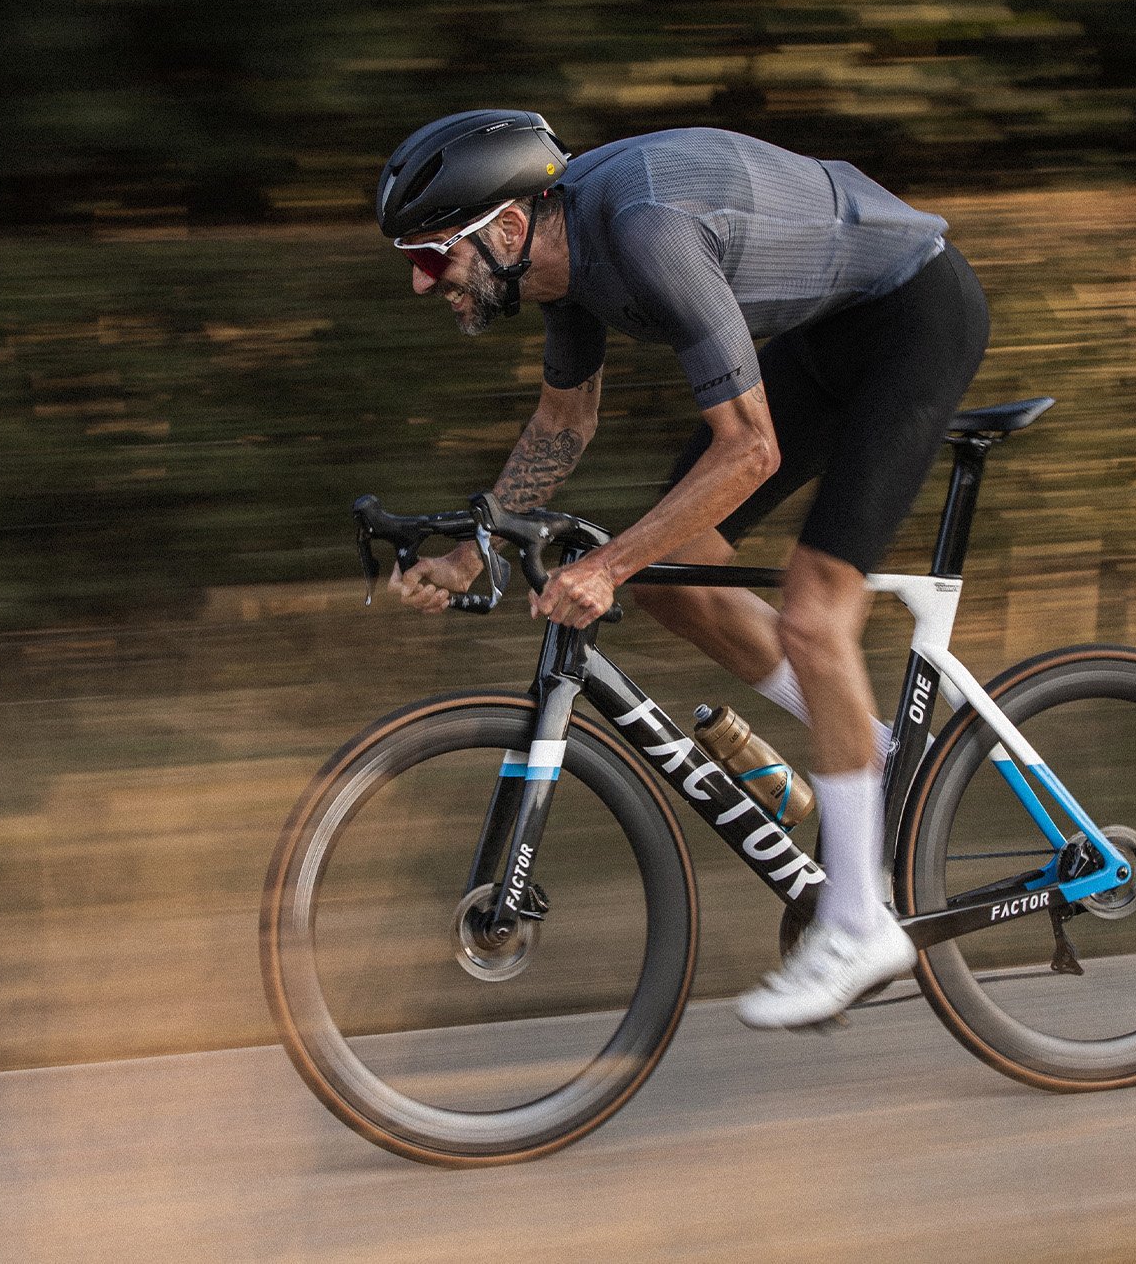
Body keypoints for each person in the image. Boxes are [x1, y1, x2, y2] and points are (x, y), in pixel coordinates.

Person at [377, 110, 990, 1028]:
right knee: (685, 577)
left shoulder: (645, 232)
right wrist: (473, 553)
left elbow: (749, 451)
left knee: (815, 615)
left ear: (505, 229)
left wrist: (612, 566)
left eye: (433, 258)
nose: (426, 285)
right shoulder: (561, 267)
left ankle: (863, 924)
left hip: (912, 318)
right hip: (827, 331)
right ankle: (865, 741)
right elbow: (564, 424)